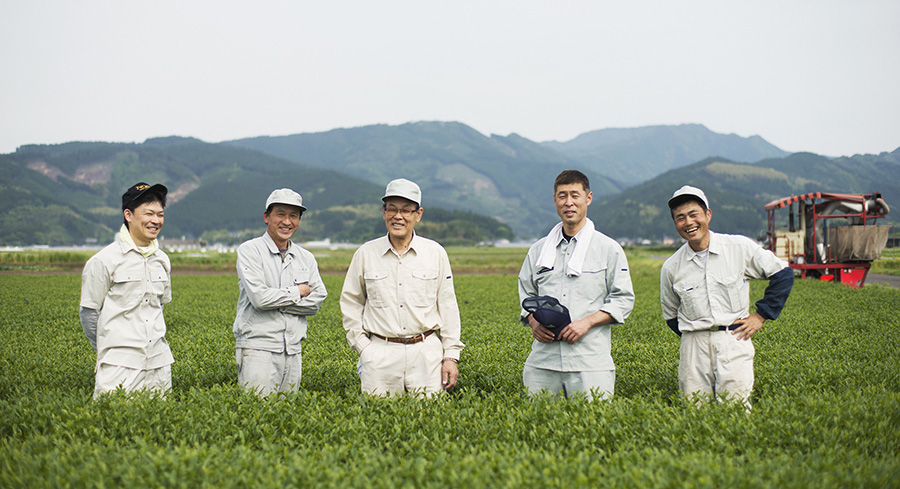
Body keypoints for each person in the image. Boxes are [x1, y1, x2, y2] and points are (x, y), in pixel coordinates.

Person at [660, 185, 793, 407]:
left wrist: (760, 316)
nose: (689, 222)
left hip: (733, 338)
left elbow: (783, 274)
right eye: (680, 218)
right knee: (694, 409)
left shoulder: (738, 247)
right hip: (693, 345)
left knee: (736, 408)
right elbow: (671, 315)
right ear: (675, 224)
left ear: (707, 215)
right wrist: (696, 333)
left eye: (694, 214)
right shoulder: (671, 267)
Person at [340, 178, 464, 396]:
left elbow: (448, 306)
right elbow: (351, 302)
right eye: (392, 209)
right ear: (384, 212)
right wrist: (363, 347)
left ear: (418, 214)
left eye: (406, 210)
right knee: (377, 420)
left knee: (430, 418)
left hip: (427, 352)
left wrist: (451, 356)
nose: (398, 216)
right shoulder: (366, 253)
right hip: (380, 352)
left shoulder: (435, 253)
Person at [518, 170, 635, 401]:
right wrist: (532, 322)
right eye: (562, 196)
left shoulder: (608, 249)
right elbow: (527, 295)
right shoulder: (538, 250)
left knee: (593, 430)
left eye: (575, 195)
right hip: (543, 362)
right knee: (538, 428)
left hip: (590, 363)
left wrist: (587, 322)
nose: (568, 202)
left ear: (588, 198)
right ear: (555, 200)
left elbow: (623, 299)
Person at [80, 182, 174, 397]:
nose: (156, 220)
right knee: (113, 426)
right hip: (118, 367)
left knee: (160, 426)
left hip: (159, 364)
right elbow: (89, 314)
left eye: (160, 214)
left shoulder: (162, 260)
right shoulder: (104, 261)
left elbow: (158, 307)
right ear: (128, 215)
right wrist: (111, 347)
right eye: (149, 213)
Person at [233, 188, 327, 395]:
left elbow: (317, 301)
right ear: (267, 217)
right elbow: (259, 299)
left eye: (293, 215)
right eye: (281, 214)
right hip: (258, 348)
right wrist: (298, 292)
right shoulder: (250, 250)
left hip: (293, 349)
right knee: (257, 415)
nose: (287, 221)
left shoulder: (305, 257)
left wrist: (276, 301)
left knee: (287, 418)